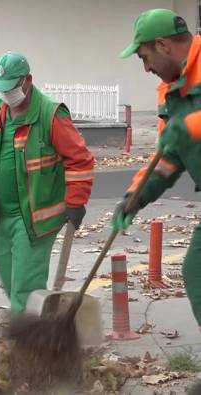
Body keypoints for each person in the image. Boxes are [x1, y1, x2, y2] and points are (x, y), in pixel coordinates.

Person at [0, 52, 94, 314]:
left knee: (26, 285)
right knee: (9, 277)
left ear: (27, 81)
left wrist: (76, 201)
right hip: (2, 214)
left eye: (11, 88)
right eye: (2, 89)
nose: (7, 94)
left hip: (34, 216)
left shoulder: (50, 114)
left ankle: (26, 345)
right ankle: (33, 325)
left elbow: (79, 159)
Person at [114, 9, 201, 332]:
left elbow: (188, 129)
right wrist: (133, 198)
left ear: (163, 45)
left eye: (144, 57)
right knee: (197, 271)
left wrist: (190, 127)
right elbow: (165, 159)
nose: (147, 67)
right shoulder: (170, 91)